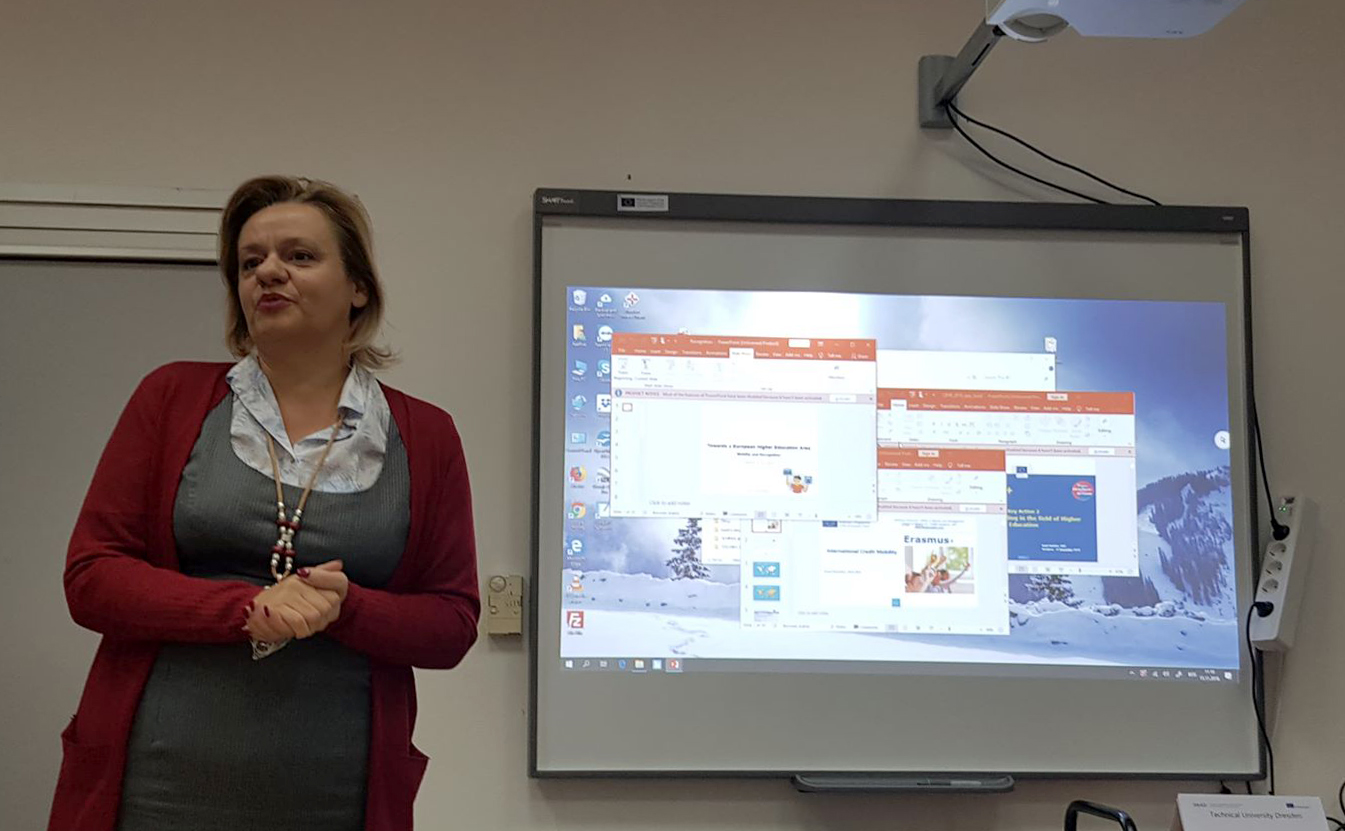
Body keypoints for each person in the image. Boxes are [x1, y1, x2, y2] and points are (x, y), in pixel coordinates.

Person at [48, 175, 480, 831]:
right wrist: (246, 609)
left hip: (335, 796)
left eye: (299, 256)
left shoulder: (426, 435)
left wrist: (345, 607)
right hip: (155, 791)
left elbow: (451, 623)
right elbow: (92, 578)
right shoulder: (170, 397)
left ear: (359, 287)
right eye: (250, 262)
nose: (268, 272)